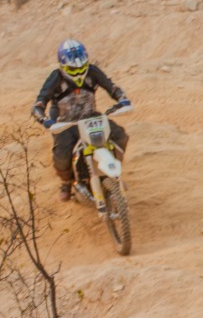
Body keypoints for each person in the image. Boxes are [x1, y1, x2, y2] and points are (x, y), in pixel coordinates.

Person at [31, 39, 131, 201]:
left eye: (82, 66)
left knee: (120, 136)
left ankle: (113, 174)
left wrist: (122, 98)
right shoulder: (55, 77)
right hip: (65, 122)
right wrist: (43, 118)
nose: (78, 71)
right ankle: (67, 182)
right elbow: (40, 102)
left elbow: (110, 86)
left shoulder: (92, 71)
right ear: (63, 66)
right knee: (62, 155)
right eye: (72, 68)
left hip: (91, 116)